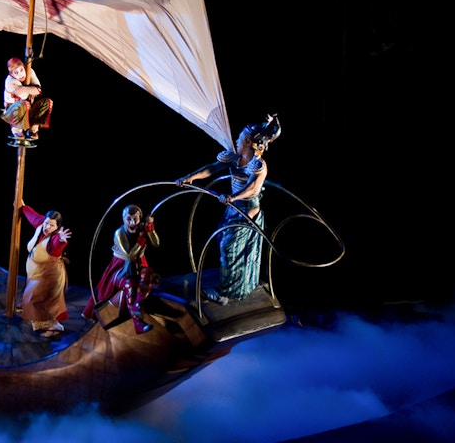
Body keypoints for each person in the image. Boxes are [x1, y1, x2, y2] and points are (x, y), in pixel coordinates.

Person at [177, 114, 281, 305]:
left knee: (229, 248)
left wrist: (233, 197)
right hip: (233, 210)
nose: (236, 141)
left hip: (246, 214)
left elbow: (252, 188)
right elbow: (212, 168)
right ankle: (234, 283)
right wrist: (190, 177)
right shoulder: (234, 158)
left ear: (249, 143)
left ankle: (225, 293)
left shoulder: (258, 165)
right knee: (221, 242)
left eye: (240, 139)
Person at [81, 204, 160, 334]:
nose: (133, 223)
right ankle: (138, 322)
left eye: (136, 219)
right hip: (120, 267)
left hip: (139, 264)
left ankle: (137, 306)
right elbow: (129, 256)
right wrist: (141, 241)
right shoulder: (119, 233)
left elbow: (156, 243)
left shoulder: (141, 229)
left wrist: (150, 228)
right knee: (130, 284)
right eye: (129, 219)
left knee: (148, 274)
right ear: (123, 219)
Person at [18, 199, 71, 338]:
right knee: (38, 301)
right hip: (38, 274)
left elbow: (57, 245)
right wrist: (23, 207)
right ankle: (53, 323)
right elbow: (33, 217)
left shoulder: (54, 239)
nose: (47, 226)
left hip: (50, 277)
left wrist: (61, 239)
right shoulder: (42, 226)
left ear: (58, 227)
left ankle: (53, 327)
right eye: (47, 222)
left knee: (35, 299)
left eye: (51, 225)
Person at [1, 57, 52, 142]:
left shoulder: (29, 72)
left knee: (47, 102)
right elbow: (24, 96)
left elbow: (38, 91)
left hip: (28, 110)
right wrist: (31, 89)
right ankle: (17, 130)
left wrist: (24, 88)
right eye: (16, 73)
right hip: (13, 113)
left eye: (21, 70)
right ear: (12, 74)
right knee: (24, 104)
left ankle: (33, 129)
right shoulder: (10, 81)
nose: (20, 74)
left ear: (24, 67)